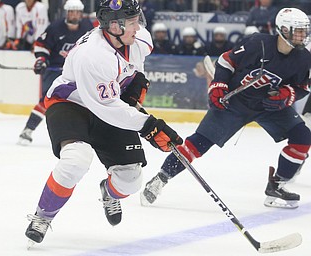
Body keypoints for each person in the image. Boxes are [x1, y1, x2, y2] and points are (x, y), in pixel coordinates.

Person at [25, 0, 182, 245]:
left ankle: (109, 193)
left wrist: (136, 81)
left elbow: (132, 69)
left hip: (108, 103)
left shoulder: (138, 38)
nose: (137, 27)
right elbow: (107, 108)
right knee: (76, 159)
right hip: (71, 103)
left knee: (131, 179)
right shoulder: (94, 56)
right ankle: (42, 216)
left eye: (137, 20)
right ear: (114, 26)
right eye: (131, 23)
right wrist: (149, 126)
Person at [141, 7, 311, 210]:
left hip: (268, 105)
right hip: (235, 103)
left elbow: (302, 87)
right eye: (299, 30)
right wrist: (219, 84)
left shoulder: (303, 58)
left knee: (303, 138)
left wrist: (288, 95)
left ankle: (277, 185)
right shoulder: (258, 43)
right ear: (283, 29)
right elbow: (226, 60)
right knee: (197, 144)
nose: (304, 35)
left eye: (304, 30)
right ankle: (161, 178)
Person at [18, 0, 94, 145]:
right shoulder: (55, 28)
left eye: (77, 12)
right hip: (55, 70)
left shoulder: (87, 27)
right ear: (67, 13)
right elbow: (41, 46)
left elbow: (93, 48)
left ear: (81, 13)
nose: (74, 15)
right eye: (71, 12)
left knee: (84, 100)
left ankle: (83, 134)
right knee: (47, 100)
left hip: (75, 71)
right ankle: (28, 130)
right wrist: (41, 60)